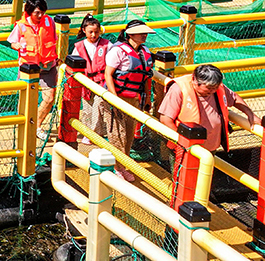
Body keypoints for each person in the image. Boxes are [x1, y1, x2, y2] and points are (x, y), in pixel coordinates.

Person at [159, 64, 260, 207]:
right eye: (208, 88)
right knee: (183, 185)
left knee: (203, 183)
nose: (212, 91)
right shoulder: (179, 89)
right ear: (195, 81)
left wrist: (249, 113)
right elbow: (165, 119)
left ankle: (199, 208)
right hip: (185, 149)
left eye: (215, 88)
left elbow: (234, 98)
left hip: (210, 148)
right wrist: (182, 144)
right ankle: (177, 218)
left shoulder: (216, 88)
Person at [103, 19, 155, 181]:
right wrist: (114, 98)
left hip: (134, 98)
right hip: (117, 97)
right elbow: (108, 74)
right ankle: (117, 167)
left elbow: (146, 76)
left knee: (129, 134)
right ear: (130, 35)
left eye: (145, 33)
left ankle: (123, 165)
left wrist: (146, 97)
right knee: (117, 134)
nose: (144, 35)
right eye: (141, 33)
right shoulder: (118, 51)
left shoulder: (144, 50)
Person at [8, 0, 58, 140]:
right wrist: (17, 45)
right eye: (37, 12)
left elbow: (53, 39)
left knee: (50, 98)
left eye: (42, 12)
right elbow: (12, 41)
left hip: (48, 65)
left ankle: (36, 124)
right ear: (29, 12)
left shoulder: (50, 22)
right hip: (28, 67)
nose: (40, 15)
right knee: (27, 99)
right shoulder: (21, 25)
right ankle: (24, 124)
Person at [69, 15, 111, 148]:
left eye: (96, 32)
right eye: (90, 32)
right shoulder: (79, 46)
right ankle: (87, 132)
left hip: (101, 81)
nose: (93, 35)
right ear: (84, 31)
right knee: (87, 108)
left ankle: (93, 134)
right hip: (85, 81)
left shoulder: (107, 45)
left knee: (98, 106)